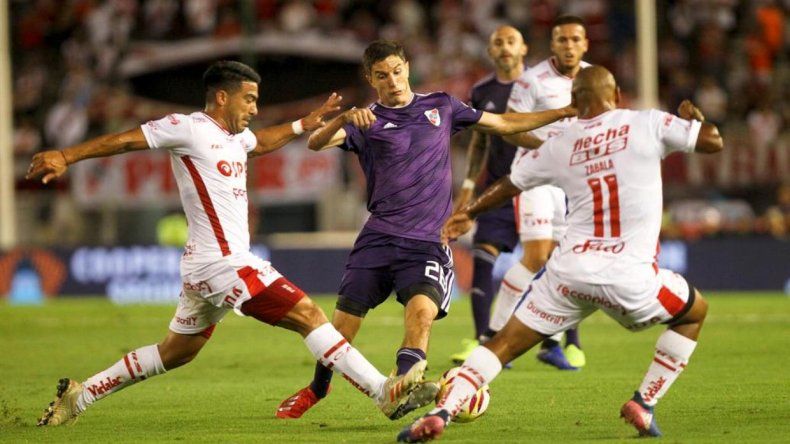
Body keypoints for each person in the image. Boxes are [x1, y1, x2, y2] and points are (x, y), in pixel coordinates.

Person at [29, 60, 429, 426]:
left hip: (206, 267)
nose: (255, 109)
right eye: (250, 99)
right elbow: (125, 141)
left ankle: (79, 398)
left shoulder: (235, 138)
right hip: (224, 264)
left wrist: (300, 126)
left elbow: (261, 142)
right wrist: (66, 155)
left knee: (175, 352)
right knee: (308, 314)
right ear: (222, 97)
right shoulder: (188, 128)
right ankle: (383, 392)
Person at [397, 66, 723, 442]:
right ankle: (643, 403)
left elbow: (509, 184)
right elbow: (712, 141)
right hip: (630, 278)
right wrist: (695, 120)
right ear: (616, 95)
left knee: (500, 346)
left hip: (568, 274)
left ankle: (442, 411)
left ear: (574, 102)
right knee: (694, 313)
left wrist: (468, 212)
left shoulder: (561, 145)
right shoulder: (648, 122)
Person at [275, 40, 576, 420]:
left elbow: (502, 123)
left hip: (427, 242)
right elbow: (316, 144)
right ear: (371, 79)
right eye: (382, 75)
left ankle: (403, 385)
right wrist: (343, 119)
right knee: (341, 329)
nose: (393, 81)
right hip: (377, 238)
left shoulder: (441, 106)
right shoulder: (366, 121)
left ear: (407, 67)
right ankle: (317, 390)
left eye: (398, 71)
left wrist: (564, 112)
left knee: (420, 316)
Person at [498, 14, 592, 370]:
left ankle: (552, 342)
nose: (569, 45)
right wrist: (549, 147)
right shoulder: (531, 80)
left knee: (566, 260)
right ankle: (495, 332)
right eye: (562, 39)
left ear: (585, 43)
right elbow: (509, 128)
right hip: (536, 175)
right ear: (552, 44)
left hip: (576, 181)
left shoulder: (595, 77)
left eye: (575, 39)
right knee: (536, 257)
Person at [447, 25, 527, 365]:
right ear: (491, 51)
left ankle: (566, 343)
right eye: (498, 42)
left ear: (523, 49)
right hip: (497, 189)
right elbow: (479, 139)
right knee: (482, 256)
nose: (505, 47)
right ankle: (484, 339)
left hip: (540, 188)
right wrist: (468, 185)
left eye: (511, 41)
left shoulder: (539, 86)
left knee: (555, 265)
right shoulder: (482, 91)